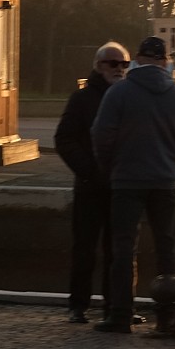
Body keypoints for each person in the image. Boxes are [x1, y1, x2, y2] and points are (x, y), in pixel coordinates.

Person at [89, 35, 175, 333]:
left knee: (124, 248)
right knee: (166, 247)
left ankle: (121, 314)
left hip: (126, 180)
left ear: (138, 58)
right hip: (164, 181)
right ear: (165, 61)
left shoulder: (118, 92)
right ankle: (168, 315)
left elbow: (101, 135)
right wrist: (170, 160)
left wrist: (112, 165)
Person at [54, 41, 128, 323]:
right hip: (91, 184)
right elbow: (64, 138)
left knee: (119, 250)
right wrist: (88, 170)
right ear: (98, 66)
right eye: (113, 63)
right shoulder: (82, 99)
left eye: (124, 64)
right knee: (85, 247)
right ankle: (78, 304)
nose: (119, 69)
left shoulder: (129, 98)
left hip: (122, 185)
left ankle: (116, 306)